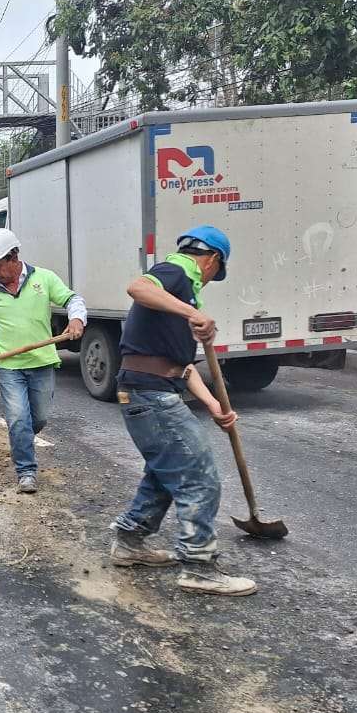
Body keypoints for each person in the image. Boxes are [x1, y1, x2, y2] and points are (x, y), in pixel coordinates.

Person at [108, 226, 258, 597]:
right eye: (214, 273)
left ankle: (129, 541)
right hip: (149, 393)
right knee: (199, 475)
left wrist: (216, 406)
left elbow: (183, 366)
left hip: (152, 388)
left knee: (164, 473)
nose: (210, 279)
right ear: (212, 260)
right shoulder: (175, 270)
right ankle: (199, 567)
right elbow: (137, 288)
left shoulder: (180, 293)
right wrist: (192, 311)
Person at [0, 228, 85, 493]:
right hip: (8, 367)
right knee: (18, 419)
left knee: (38, 419)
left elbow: (73, 299)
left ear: (15, 257)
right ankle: (26, 471)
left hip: (41, 362)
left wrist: (76, 319)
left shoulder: (44, 279)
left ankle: (21, 440)